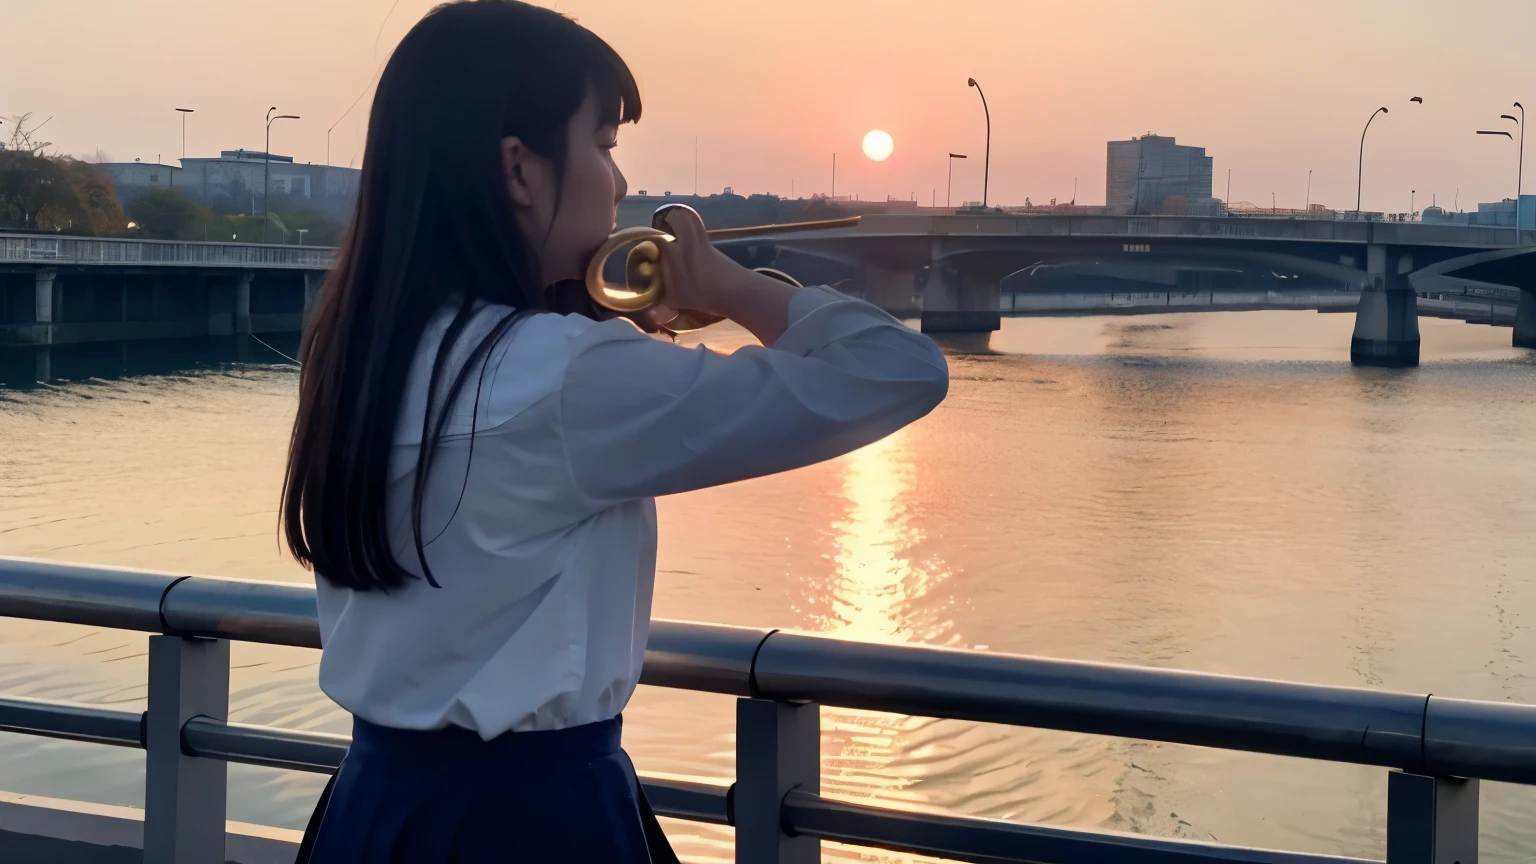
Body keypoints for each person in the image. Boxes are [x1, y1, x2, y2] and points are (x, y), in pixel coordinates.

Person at [280, 1, 948, 860]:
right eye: (603, 145)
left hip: (373, 808)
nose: (620, 185)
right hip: (529, 821)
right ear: (518, 169)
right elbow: (896, 370)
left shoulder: (363, 351)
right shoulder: (567, 373)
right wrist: (737, 289)